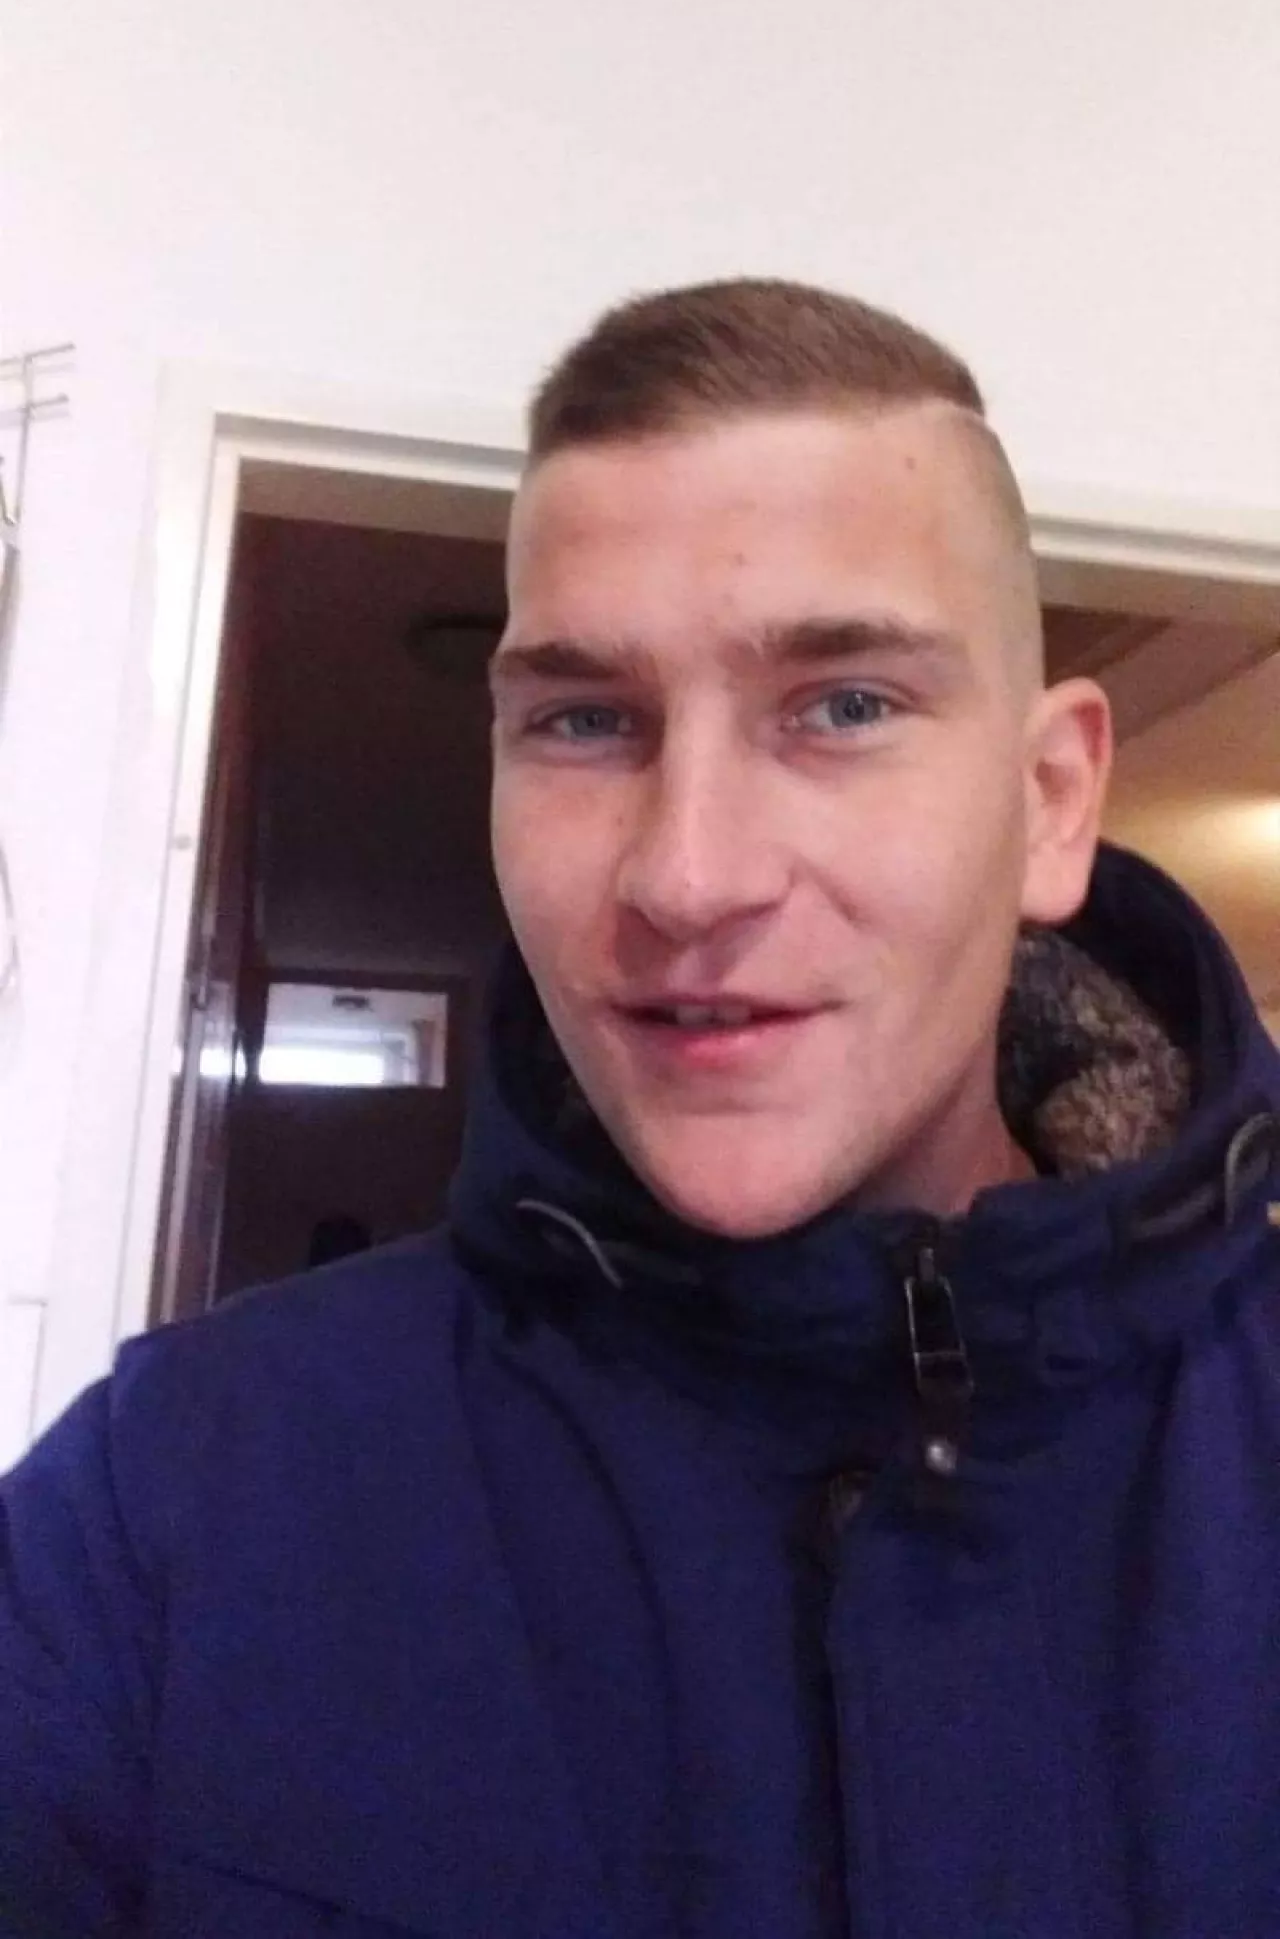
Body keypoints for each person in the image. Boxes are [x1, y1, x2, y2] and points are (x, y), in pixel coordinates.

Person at [2, 279, 1279, 1939]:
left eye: (844, 705)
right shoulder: (166, 1507)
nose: (687, 875)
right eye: (586, 720)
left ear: (1048, 802)